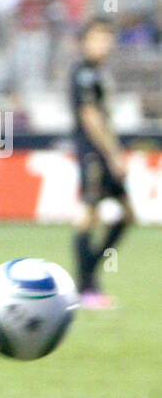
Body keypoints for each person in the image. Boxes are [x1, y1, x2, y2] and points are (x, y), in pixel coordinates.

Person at [70, 18, 133, 309]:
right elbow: (90, 116)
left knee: (127, 214)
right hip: (93, 152)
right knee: (89, 214)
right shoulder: (83, 72)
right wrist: (112, 153)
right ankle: (85, 286)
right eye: (98, 38)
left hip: (104, 151)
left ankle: (89, 275)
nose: (104, 44)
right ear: (85, 41)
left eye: (108, 38)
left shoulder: (97, 72)